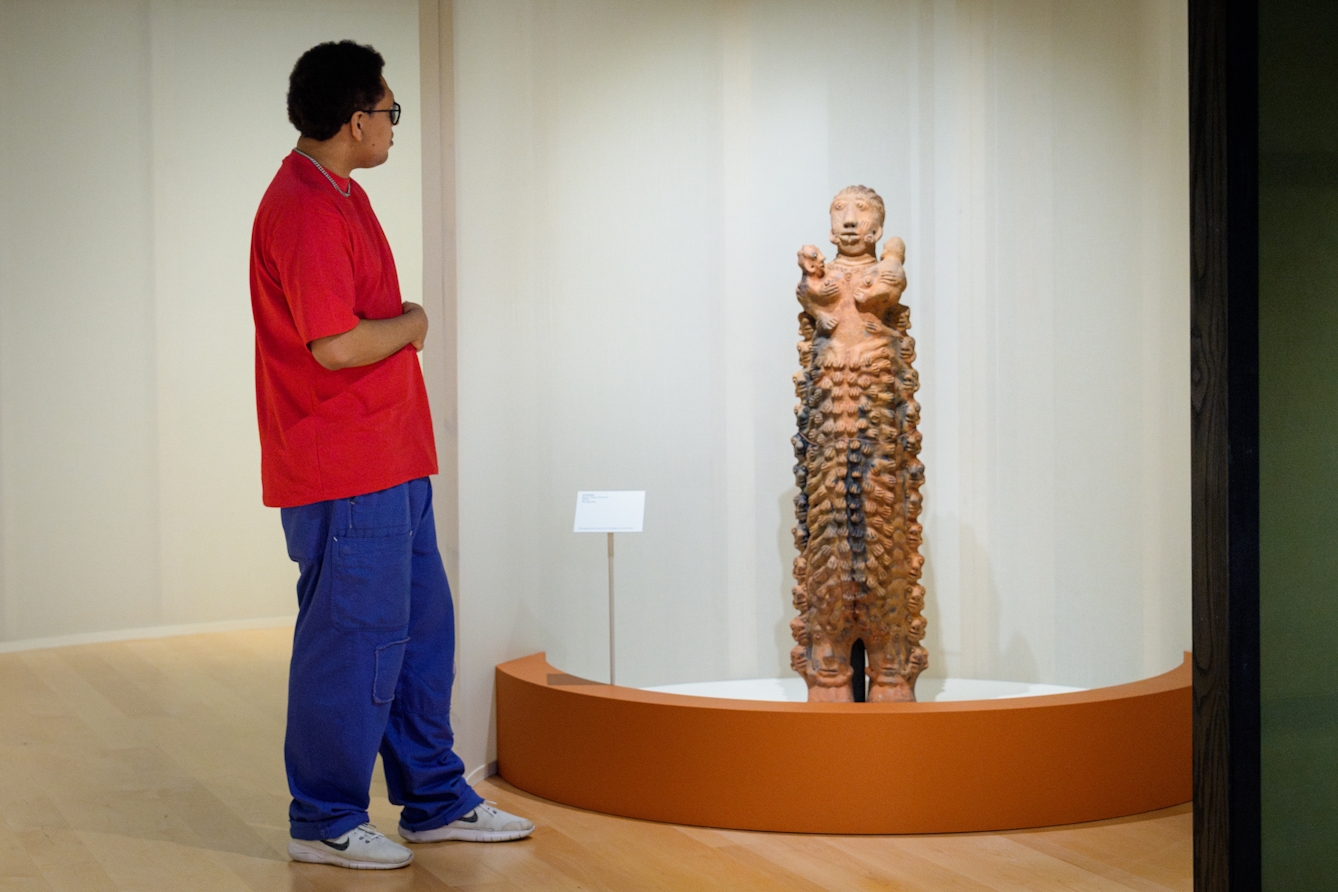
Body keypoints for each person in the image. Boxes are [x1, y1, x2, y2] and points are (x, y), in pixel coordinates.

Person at [249, 40, 533, 870]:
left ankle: (434, 798)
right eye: (388, 112)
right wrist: (413, 325)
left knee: (417, 637)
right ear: (353, 120)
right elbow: (335, 345)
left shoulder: (342, 193)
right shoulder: (303, 207)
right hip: (343, 464)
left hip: (390, 457)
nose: (393, 127)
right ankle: (326, 818)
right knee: (354, 642)